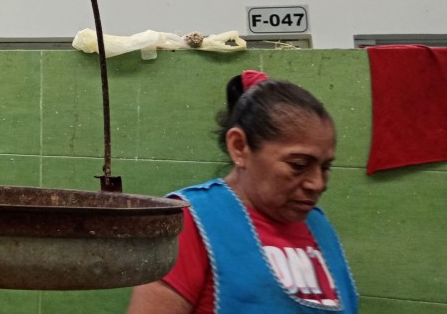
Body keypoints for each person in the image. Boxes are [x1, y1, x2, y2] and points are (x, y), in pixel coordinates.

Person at [126, 70, 358, 313]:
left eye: (325, 167)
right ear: (239, 147)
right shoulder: (191, 223)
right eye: (298, 165)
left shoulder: (318, 227)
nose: (317, 184)